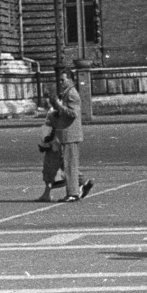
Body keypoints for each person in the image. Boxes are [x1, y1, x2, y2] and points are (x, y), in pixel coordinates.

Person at [47, 68, 94, 202]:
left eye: (63, 80)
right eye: (60, 80)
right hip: (66, 133)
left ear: (71, 80)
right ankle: (83, 182)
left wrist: (59, 106)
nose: (61, 83)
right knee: (65, 163)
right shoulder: (67, 93)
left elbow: (74, 113)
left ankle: (73, 193)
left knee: (69, 165)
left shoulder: (72, 94)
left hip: (70, 134)